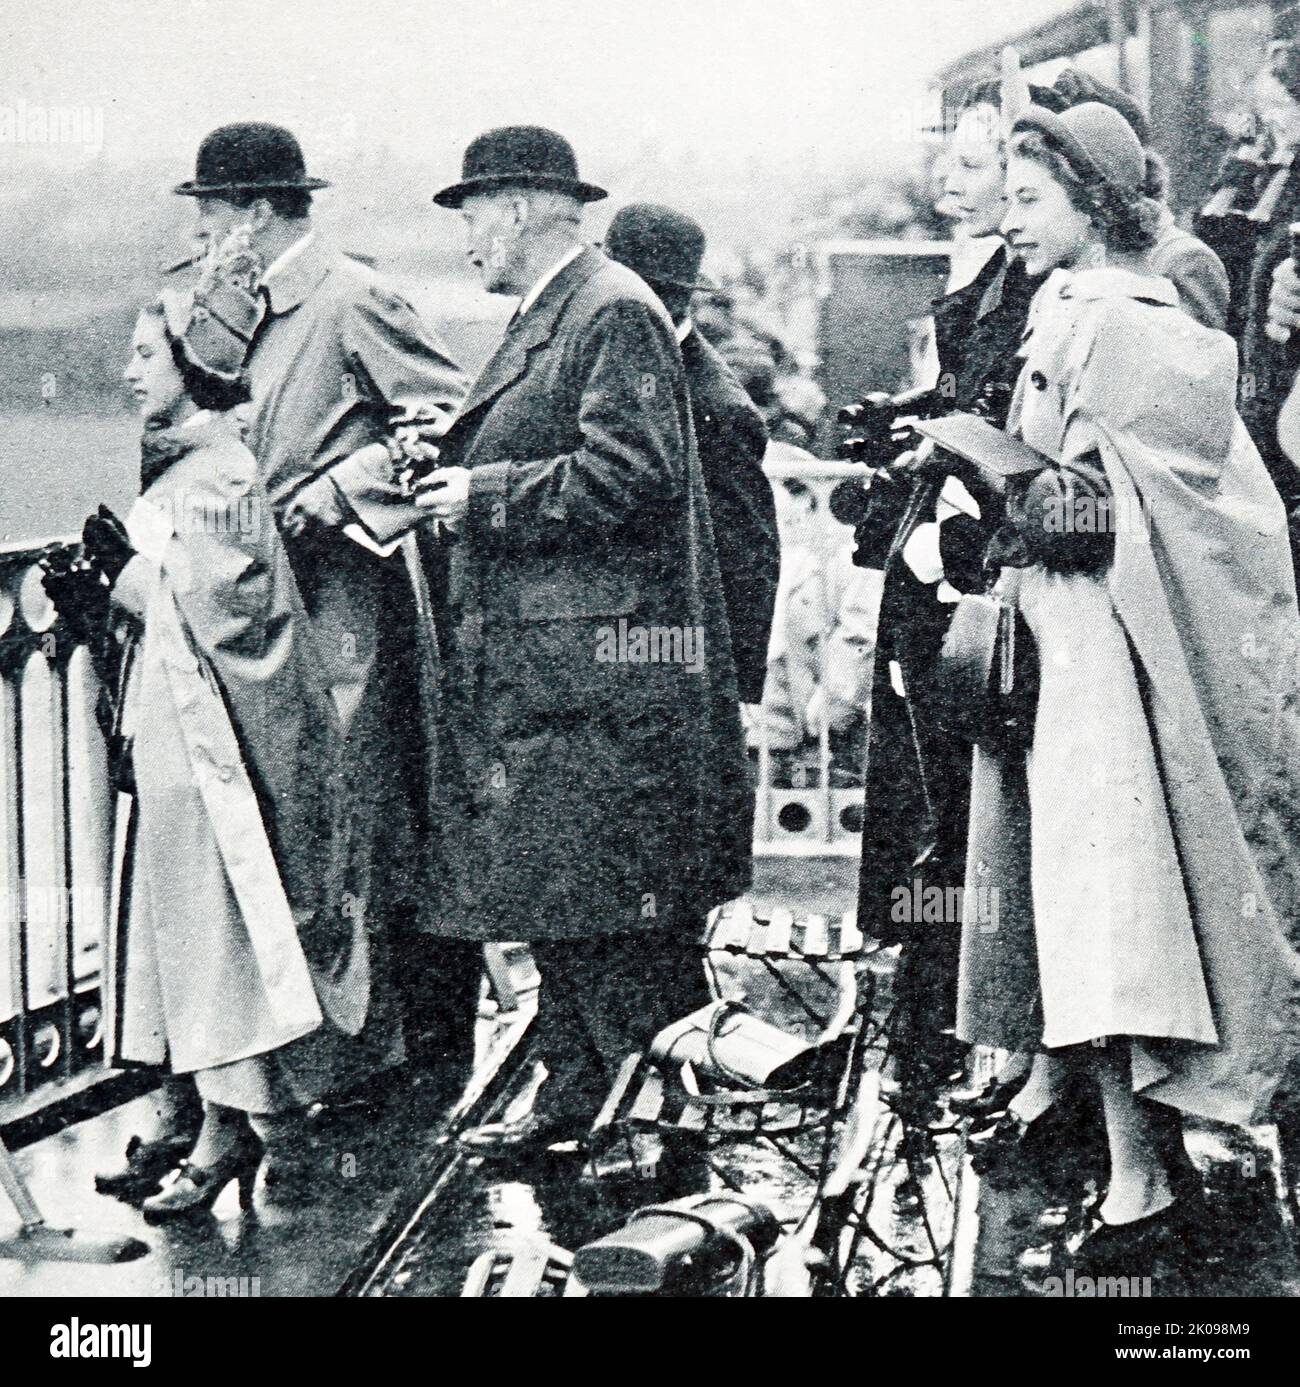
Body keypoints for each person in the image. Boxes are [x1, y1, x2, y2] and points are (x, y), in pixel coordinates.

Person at [958, 100, 1300, 1281]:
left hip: (1104, 660)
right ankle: (1123, 1158)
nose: (1010, 218)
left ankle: (1141, 1177)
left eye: (1029, 198)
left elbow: (1098, 514)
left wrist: (978, 457)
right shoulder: (1072, 309)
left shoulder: (1121, 320)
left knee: (1114, 915)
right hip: (1071, 650)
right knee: (1087, 908)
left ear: (1092, 206)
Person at [402, 127, 752, 1157]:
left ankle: (650, 1131)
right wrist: (462, 453)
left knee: (614, 909)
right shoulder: (573, 310)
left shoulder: (607, 310)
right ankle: (578, 1094)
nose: (466, 238)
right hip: (564, 675)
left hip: (596, 678)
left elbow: (632, 472)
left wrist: (482, 492)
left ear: (515, 208)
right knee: (570, 891)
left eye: (470, 214)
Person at [44, 270, 390, 1219]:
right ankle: (185, 1104)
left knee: (214, 930)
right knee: (172, 923)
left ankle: (227, 1127)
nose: (126, 371)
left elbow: (225, 615)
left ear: (195, 366)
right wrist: (108, 594)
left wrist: (122, 580)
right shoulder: (191, 466)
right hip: (176, 737)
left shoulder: (225, 473)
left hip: (215, 751)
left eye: (145, 353)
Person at [171, 123, 477, 1091]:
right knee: (273, 823)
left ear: (258, 213)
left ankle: (375, 1071)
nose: (205, 229)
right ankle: (283, 1076)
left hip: (343, 611)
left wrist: (345, 487)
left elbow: (449, 421)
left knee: (352, 822)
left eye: (213, 211)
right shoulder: (230, 309)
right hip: (248, 616)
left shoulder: (354, 299)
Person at [849, 77, 1049, 1113]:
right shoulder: (987, 282)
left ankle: (962, 1028)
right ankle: (942, 1014)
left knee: (962, 810)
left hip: (975, 592)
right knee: (938, 807)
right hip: (944, 586)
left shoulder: (1031, 289)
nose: (951, 183)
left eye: (976, 169)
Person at [604, 202, 779, 707]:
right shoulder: (643, 368)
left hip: (670, 655)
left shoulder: (716, 407)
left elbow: (747, 549)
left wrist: (732, 687)